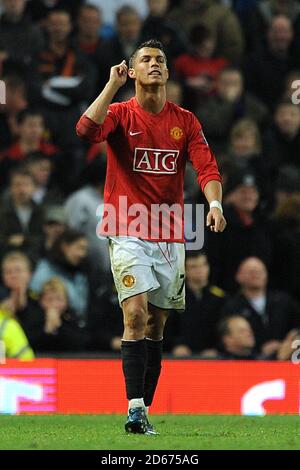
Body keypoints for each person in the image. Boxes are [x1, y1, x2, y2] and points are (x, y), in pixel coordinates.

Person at [76, 39, 226, 435]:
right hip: (126, 225)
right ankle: (135, 408)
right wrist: (111, 86)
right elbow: (86, 130)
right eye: (146, 59)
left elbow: (207, 167)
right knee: (135, 314)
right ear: (133, 71)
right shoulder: (121, 114)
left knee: (157, 325)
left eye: (160, 59)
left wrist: (214, 205)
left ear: (167, 72)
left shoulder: (186, 121)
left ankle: (144, 404)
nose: (155, 64)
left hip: (170, 231)